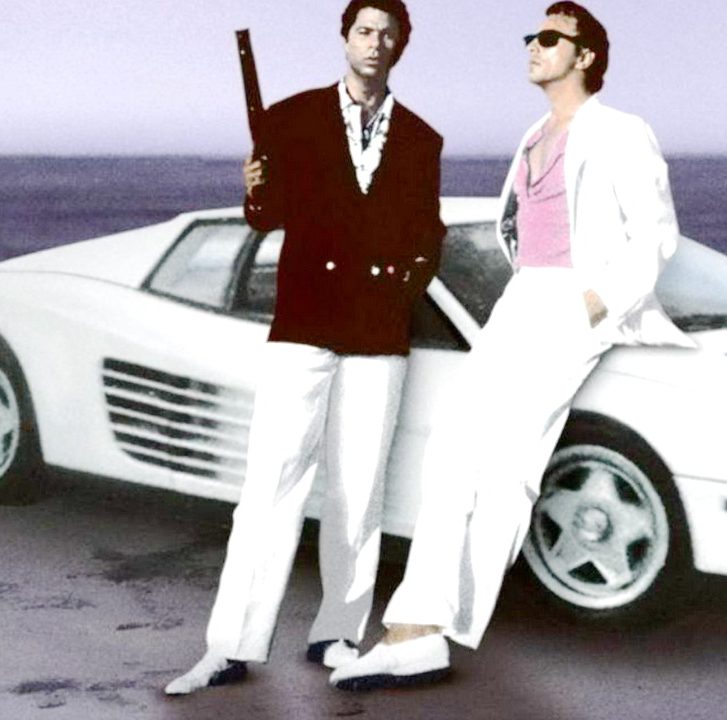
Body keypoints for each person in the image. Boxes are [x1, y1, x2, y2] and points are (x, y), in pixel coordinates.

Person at [329, 1, 694, 691]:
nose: (535, 45)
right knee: (452, 449)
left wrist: (594, 303)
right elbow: (518, 224)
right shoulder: (535, 132)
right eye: (534, 35)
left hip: (572, 302)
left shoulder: (621, 131)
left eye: (551, 37)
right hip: (522, 296)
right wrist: (528, 285)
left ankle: (429, 628)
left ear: (585, 56)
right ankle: (416, 629)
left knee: (506, 465)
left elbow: (654, 234)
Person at [165, 0, 445, 695]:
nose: (375, 43)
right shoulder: (290, 119)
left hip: (378, 332)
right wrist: (253, 189)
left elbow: (427, 233)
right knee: (270, 486)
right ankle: (229, 647)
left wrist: (400, 292)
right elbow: (267, 217)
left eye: (388, 34)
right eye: (364, 31)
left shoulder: (421, 138)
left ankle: (338, 634)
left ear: (402, 46)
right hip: (304, 323)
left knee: (359, 492)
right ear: (346, 39)